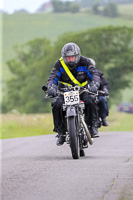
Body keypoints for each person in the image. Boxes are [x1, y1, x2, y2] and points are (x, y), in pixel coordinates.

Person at [47, 42, 100, 146]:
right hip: (65, 91)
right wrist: (51, 87)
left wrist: (95, 84)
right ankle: (61, 133)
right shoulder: (59, 64)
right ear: (64, 57)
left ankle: (92, 127)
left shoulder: (85, 62)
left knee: (90, 101)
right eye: (68, 58)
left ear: (77, 55)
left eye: (72, 57)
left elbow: (94, 74)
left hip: (82, 90)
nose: (70, 60)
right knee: (56, 104)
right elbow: (53, 77)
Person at [88, 58, 109, 126]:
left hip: (98, 93)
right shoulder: (81, 74)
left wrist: (105, 90)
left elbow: (104, 84)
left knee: (102, 100)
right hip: (86, 93)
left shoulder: (99, 73)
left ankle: (103, 118)